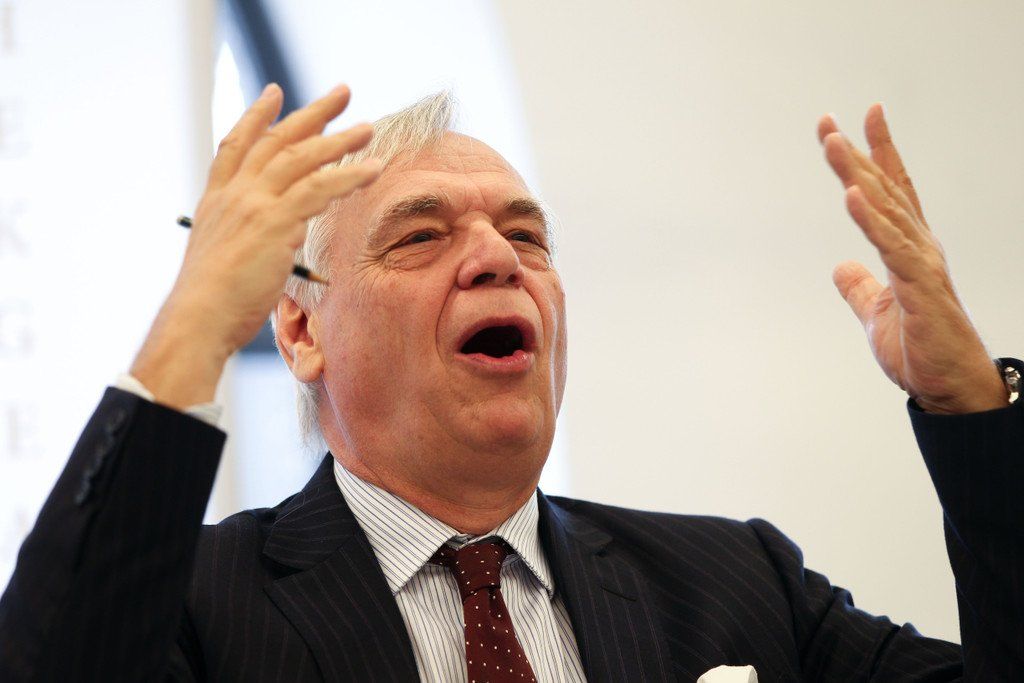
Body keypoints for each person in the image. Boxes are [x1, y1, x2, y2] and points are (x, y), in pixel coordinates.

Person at [0, 83, 1021, 682]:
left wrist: (971, 410)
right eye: (422, 235)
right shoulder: (195, 604)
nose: (498, 257)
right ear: (303, 329)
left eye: (527, 234)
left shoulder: (736, 582)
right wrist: (190, 331)